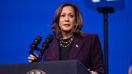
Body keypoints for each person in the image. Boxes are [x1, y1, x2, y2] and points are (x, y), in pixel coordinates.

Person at [28, 3, 104, 74]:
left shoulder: (90, 40)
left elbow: (100, 69)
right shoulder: (49, 46)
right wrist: (38, 65)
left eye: (71, 16)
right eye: (62, 15)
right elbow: (48, 71)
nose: (66, 19)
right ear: (58, 21)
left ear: (76, 21)